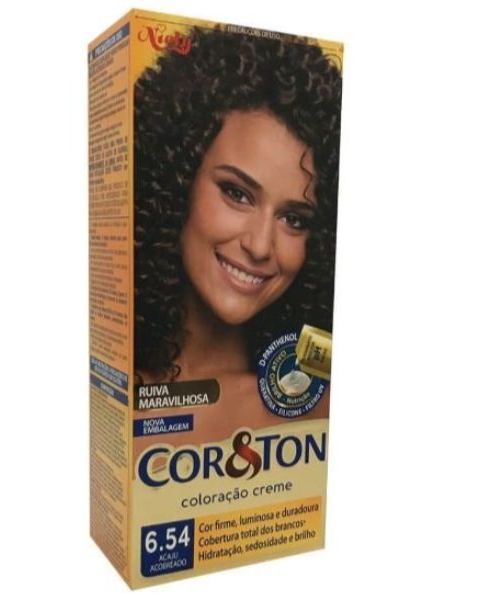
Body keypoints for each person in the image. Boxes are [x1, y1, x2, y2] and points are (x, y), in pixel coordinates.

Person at [133, 26, 341, 440]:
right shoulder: (110, 384)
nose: (260, 245)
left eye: (294, 219)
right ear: (177, 180)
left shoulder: (315, 402)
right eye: (237, 193)